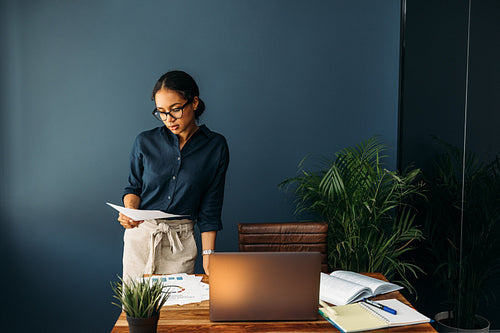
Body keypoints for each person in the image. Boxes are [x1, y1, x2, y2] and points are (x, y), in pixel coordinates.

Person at [118, 70, 229, 280]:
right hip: (140, 239)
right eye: (161, 112)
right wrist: (130, 211)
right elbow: (133, 188)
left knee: (175, 310)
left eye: (175, 109)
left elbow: (211, 206)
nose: (168, 119)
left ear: (194, 102)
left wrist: (209, 254)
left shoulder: (215, 146)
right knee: (136, 311)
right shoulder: (144, 142)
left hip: (181, 242)